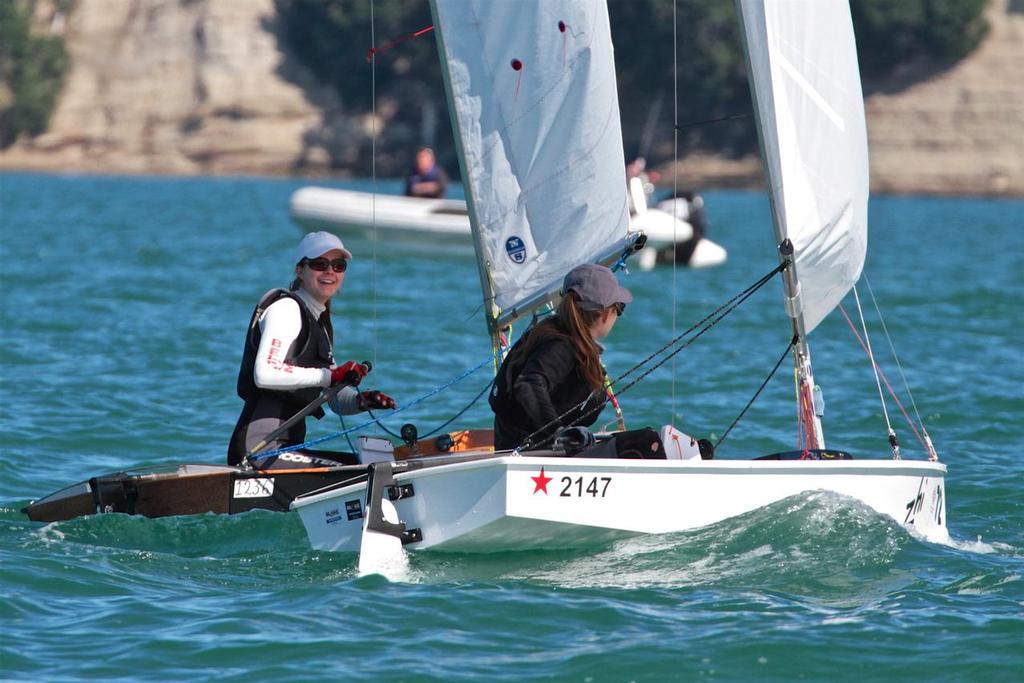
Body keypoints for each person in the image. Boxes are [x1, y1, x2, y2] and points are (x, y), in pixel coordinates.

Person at [228, 231, 396, 468]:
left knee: (373, 465)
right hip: (258, 452)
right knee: (368, 471)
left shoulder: (318, 323)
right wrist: (329, 376)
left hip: (287, 448)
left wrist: (363, 401)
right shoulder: (286, 309)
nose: (330, 271)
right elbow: (265, 373)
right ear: (300, 270)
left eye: (338, 265)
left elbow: (335, 400)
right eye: (319, 264)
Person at [489, 263, 632, 451]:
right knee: (645, 442)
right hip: (530, 454)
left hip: (529, 447)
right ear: (605, 314)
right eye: (619, 308)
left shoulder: (553, 332)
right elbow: (528, 384)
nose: (618, 314)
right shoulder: (561, 346)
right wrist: (558, 433)